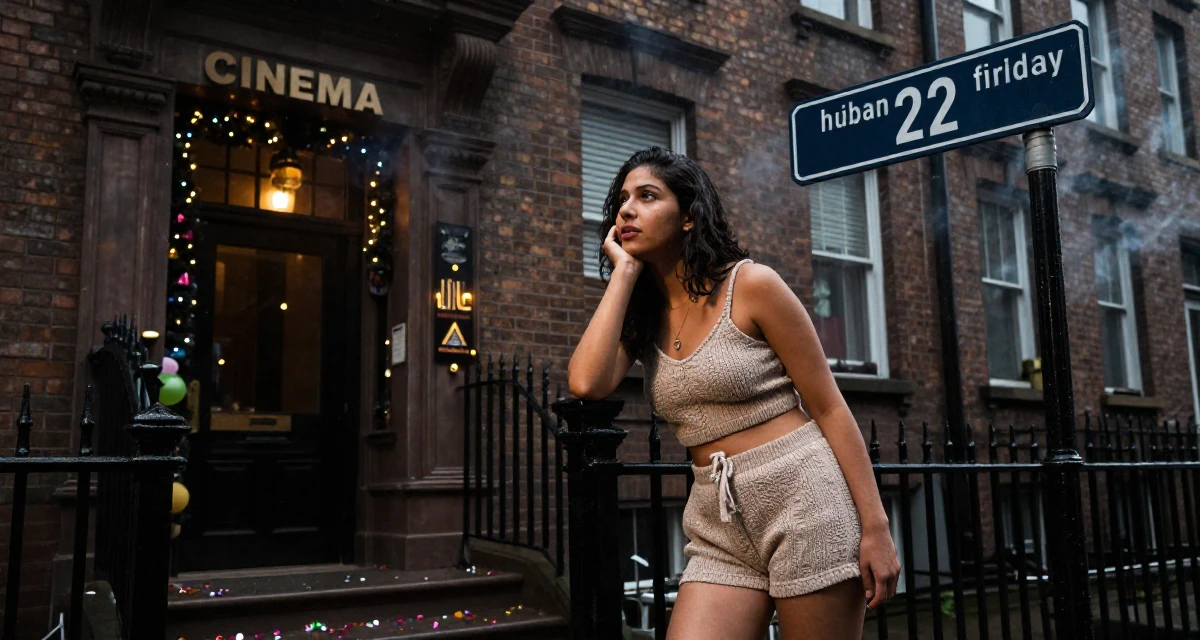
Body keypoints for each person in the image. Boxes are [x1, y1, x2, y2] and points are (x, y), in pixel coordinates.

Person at [567, 147, 900, 639]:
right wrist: (624, 273)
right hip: (717, 517)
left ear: (687, 217)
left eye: (647, 196)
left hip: (803, 500)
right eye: (622, 200)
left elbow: (829, 406)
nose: (627, 210)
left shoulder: (752, 285)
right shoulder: (643, 316)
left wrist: (876, 529)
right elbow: (586, 382)